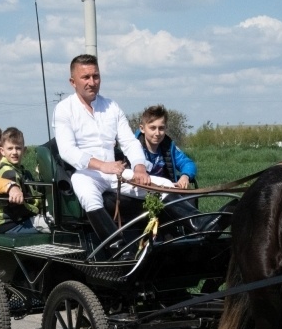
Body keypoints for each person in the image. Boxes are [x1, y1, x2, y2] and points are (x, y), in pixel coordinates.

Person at [53, 54, 208, 257]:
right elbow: (67, 151)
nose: (92, 82)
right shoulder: (64, 109)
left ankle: (200, 225)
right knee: (88, 195)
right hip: (86, 173)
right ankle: (117, 247)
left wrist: (139, 167)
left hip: (116, 173)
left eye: (96, 76)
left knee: (165, 185)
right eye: (86, 77)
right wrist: (103, 165)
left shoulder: (111, 107)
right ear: (73, 82)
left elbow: (129, 142)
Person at [135, 104, 197, 189]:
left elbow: (187, 163)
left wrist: (185, 176)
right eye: (152, 128)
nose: (157, 133)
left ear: (166, 128)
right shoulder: (133, 147)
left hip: (167, 191)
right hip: (140, 191)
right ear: (142, 129)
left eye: (161, 128)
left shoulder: (169, 146)